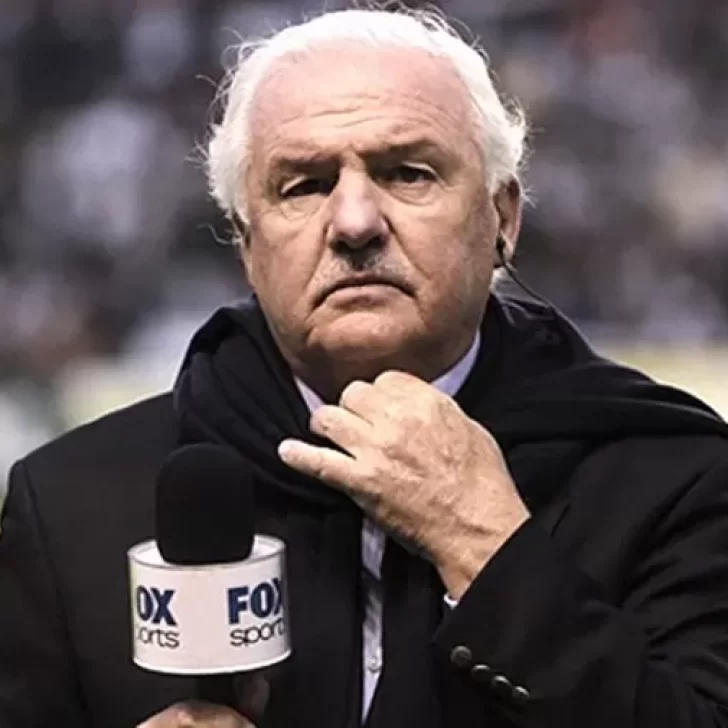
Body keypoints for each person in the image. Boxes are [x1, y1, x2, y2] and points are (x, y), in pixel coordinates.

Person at [2, 7, 728, 728]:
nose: (354, 223)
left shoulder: (676, 480)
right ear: (246, 243)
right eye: (304, 185)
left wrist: (486, 546)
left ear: (502, 219)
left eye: (407, 173)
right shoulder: (68, 507)